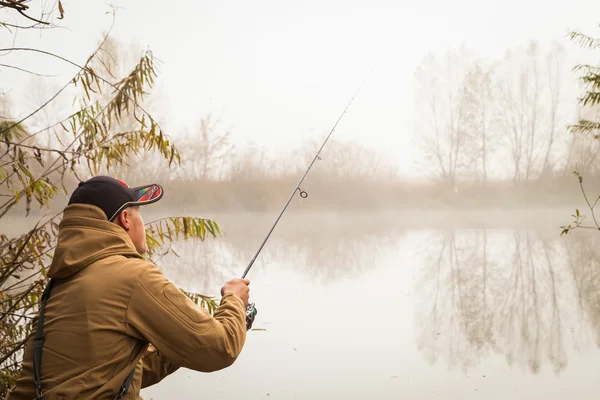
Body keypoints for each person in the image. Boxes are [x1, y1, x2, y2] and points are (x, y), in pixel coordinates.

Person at [6, 175, 251, 400]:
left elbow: (108, 372)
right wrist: (233, 302)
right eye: (139, 213)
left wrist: (179, 339)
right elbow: (220, 349)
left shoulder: (60, 285)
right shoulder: (133, 276)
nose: (142, 223)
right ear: (125, 219)